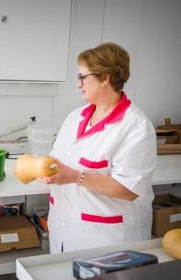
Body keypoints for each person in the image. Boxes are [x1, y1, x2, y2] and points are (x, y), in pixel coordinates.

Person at [39, 42, 157, 254]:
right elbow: (56, 160)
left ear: (105, 78)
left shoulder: (136, 126)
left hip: (106, 240)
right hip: (64, 233)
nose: (79, 84)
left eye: (83, 77)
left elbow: (128, 189)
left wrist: (76, 177)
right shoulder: (75, 117)